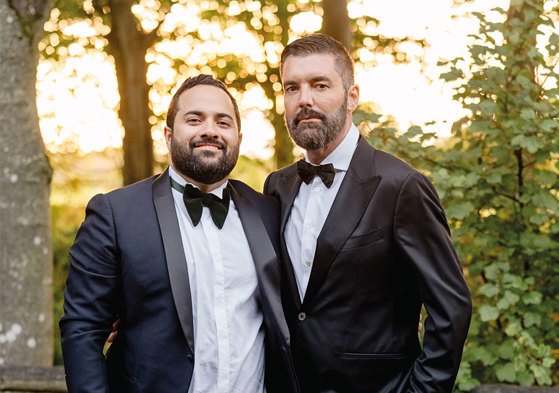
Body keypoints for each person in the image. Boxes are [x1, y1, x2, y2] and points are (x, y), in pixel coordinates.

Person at [60, 74, 298, 393]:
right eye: (195, 119)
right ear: (168, 134)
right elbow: (82, 330)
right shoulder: (116, 214)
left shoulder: (269, 212)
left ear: (238, 137)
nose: (210, 130)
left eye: (223, 122)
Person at [264, 33, 472, 393]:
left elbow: (451, 309)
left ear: (351, 97)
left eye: (320, 85)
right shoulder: (276, 187)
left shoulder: (401, 186)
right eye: (291, 88)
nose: (304, 100)